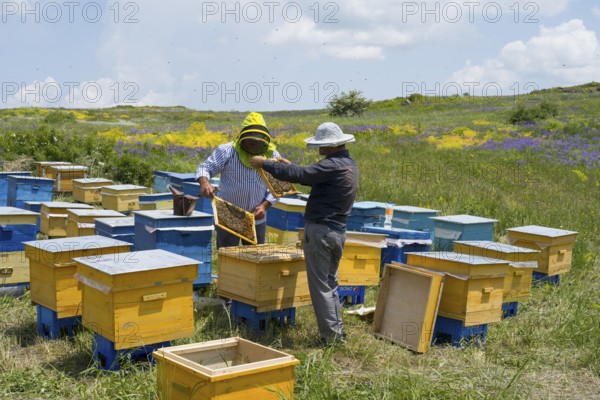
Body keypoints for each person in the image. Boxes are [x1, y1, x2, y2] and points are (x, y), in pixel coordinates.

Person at [249, 122, 358, 346]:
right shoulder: (347, 164)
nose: (318, 148)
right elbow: (310, 175)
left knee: (320, 286)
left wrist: (265, 163)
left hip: (322, 231)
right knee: (330, 282)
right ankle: (337, 333)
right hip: (337, 232)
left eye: (321, 145)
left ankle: (331, 339)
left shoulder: (333, 165)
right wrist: (291, 166)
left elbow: (303, 174)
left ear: (331, 145)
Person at [195, 112, 280, 248]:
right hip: (229, 215)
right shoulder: (226, 151)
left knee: (255, 261)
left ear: (265, 138)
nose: (254, 144)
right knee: (229, 261)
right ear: (242, 136)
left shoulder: (272, 155)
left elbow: (277, 186)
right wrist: (205, 183)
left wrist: (265, 205)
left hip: (256, 217)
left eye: (258, 141)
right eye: (251, 141)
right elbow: (205, 167)